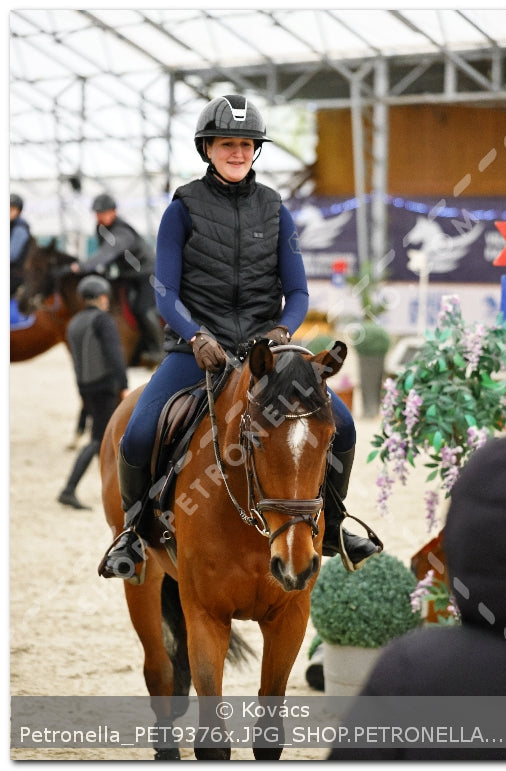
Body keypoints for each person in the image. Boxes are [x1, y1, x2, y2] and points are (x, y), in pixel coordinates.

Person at [97, 93, 381, 583]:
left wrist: (279, 331)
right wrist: (194, 335)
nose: (237, 151)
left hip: (264, 356)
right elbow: (164, 291)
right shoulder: (181, 209)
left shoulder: (276, 210)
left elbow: (296, 292)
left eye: (247, 144)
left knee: (345, 425)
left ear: (256, 151)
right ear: (208, 148)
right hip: (195, 352)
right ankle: (133, 534)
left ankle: (333, 524)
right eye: (227, 143)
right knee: (139, 433)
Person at [328, 435, 506, 761]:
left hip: (297, 385)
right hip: (221, 387)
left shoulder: (410, 667)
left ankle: (330, 522)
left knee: (342, 425)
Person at [58, 275, 129, 510]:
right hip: (105, 387)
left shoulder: (74, 322)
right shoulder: (103, 320)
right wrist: (124, 385)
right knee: (99, 439)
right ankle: (68, 489)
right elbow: (114, 355)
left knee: (103, 439)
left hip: (85, 387)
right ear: (101, 297)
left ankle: (114, 492)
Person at [79, 192, 164, 365]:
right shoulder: (101, 229)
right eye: (97, 213)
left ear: (113, 212)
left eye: (102, 212)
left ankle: (159, 350)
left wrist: (83, 266)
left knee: (143, 309)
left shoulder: (122, 231)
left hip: (147, 274)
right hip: (127, 275)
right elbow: (107, 255)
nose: (99, 217)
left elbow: (108, 253)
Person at [10, 192, 32, 298]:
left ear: (18, 211)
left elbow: (11, 255)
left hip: (15, 275)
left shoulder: (20, 229)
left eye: (12, 208)